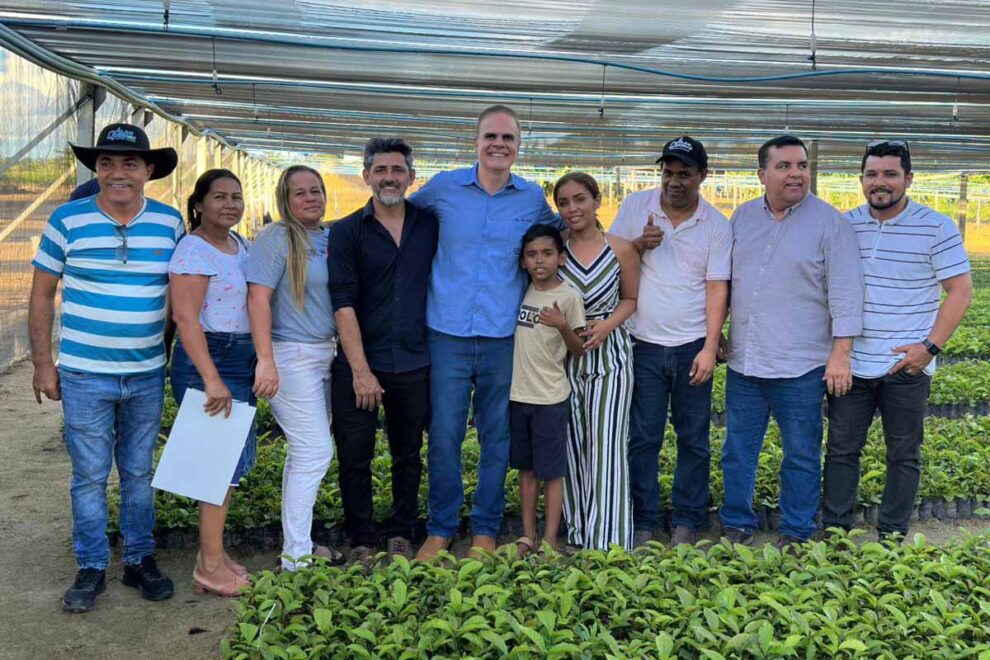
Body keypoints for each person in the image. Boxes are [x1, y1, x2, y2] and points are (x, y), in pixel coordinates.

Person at [29, 122, 182, 613]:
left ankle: (138, 560)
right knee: (89, 476)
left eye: (129, 163)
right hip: (83, 373)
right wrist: (42, 364)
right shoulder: (67, 220)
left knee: (138, 472)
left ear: (148, 170)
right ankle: (91, 565)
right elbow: (41, 295)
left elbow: (181, 295)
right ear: (96, 170)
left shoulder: (169, 222)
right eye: (106, 163)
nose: (118, 173)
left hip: (146, 373)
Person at [410, 105, 558, 561]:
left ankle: (486, 529)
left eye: (508, 138)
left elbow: (564, 237)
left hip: (503, 335)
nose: (499, 144)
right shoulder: (443, 188)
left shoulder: (531, 199)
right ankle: (441, 527)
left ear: (518, 147)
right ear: (475, 142)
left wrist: (628, 245)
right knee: (445, 435)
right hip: (447, 333)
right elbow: (397, 219)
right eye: (491, 136)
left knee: (497, 437)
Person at [719, 135, 864, 549]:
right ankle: (736, 522)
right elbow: (726, 282)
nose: (796, 174)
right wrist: (719, 331)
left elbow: (846, 292)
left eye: (802, 165)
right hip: (746, 362)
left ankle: (796, 530)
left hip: (801, 365)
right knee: (737, 450)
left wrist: (841, 354)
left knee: (801, 453)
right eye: (784, 166)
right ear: (762, 174)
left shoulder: (830, 223)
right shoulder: (743, 217)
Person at [823, 140, 972, 539]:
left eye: (890, 174)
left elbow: (960, 290)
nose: (880, 182)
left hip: (906, 365)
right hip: (852, 363)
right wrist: (836, 352)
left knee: (903, 454)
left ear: (909, 178)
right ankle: (836, 534)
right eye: (871, 174)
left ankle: (891, 536)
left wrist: (930, 348)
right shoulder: (844, 225)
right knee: (841, 451)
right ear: (861, 180)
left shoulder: (936, 226)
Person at [609, 137, 732, 548]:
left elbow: (716, 287)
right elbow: (608, 258)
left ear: (702, 176)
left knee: (693, 437)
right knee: (643, 436)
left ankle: (687, 518)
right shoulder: (636, 207)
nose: (674, 182)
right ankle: (642, 518)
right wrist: (636, 246)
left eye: (684, 174)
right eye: (668, 173)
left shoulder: (716, 225)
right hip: (642, 342)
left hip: (690, 345)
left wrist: (710, 347)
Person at [328, 138, 437, 563]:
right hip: (360, 362)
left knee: (407, 454)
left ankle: (401, 530)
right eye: (380, 170)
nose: (389, 178)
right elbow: (342, 302)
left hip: (414, 360)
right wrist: (360, 370)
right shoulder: (347, 231)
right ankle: (361, 536)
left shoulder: (429, 226)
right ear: (366, 176)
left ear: (411, 177)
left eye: (397, 170)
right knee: (355, 455)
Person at [246, 164, 342, 571]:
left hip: (327, 353)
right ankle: (297, 558)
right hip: (291, 355)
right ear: (285, 200)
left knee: (304, 453)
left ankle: (297, 545)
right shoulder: (277, 237)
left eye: (315, 190)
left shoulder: (330, 237)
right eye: (299, 192)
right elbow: (257, 299)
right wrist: (266, 359)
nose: (310, 198)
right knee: (316, 451)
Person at [168, 168, 255, 596]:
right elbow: (186, 319)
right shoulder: (193, 250)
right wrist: (211, 379)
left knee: (227, 466)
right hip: (211, 359)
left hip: (238, 358)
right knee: (216, 469)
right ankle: (209, 568)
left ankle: (212, 556)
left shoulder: (240, 244)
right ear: (199, 204)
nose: (229, 204)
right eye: (219, 197)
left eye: (236, 196)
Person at [555, 172, 639, 551]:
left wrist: (606, 326)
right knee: (572, 443)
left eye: (579, 199)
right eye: (564, 203)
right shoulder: (556, 250)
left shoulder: (620, 249)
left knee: (607, 444)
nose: (572, 208)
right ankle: (577, 530)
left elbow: (630, 299)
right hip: (565, 356)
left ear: (596, 201)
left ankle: (608, 538)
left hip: (611, 356)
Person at [510, 224, 586, 558]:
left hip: (551, 398)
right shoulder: (522, 290)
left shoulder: (568, 297)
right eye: (532, 255)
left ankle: (550, 540)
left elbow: (579, 349)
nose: (539, 261)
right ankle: (528, 535)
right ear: (523, 262)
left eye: (547, 253)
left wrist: (563, 325)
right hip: (519, 396)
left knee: (552, 472)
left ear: (561, 258)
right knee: (526, 470)